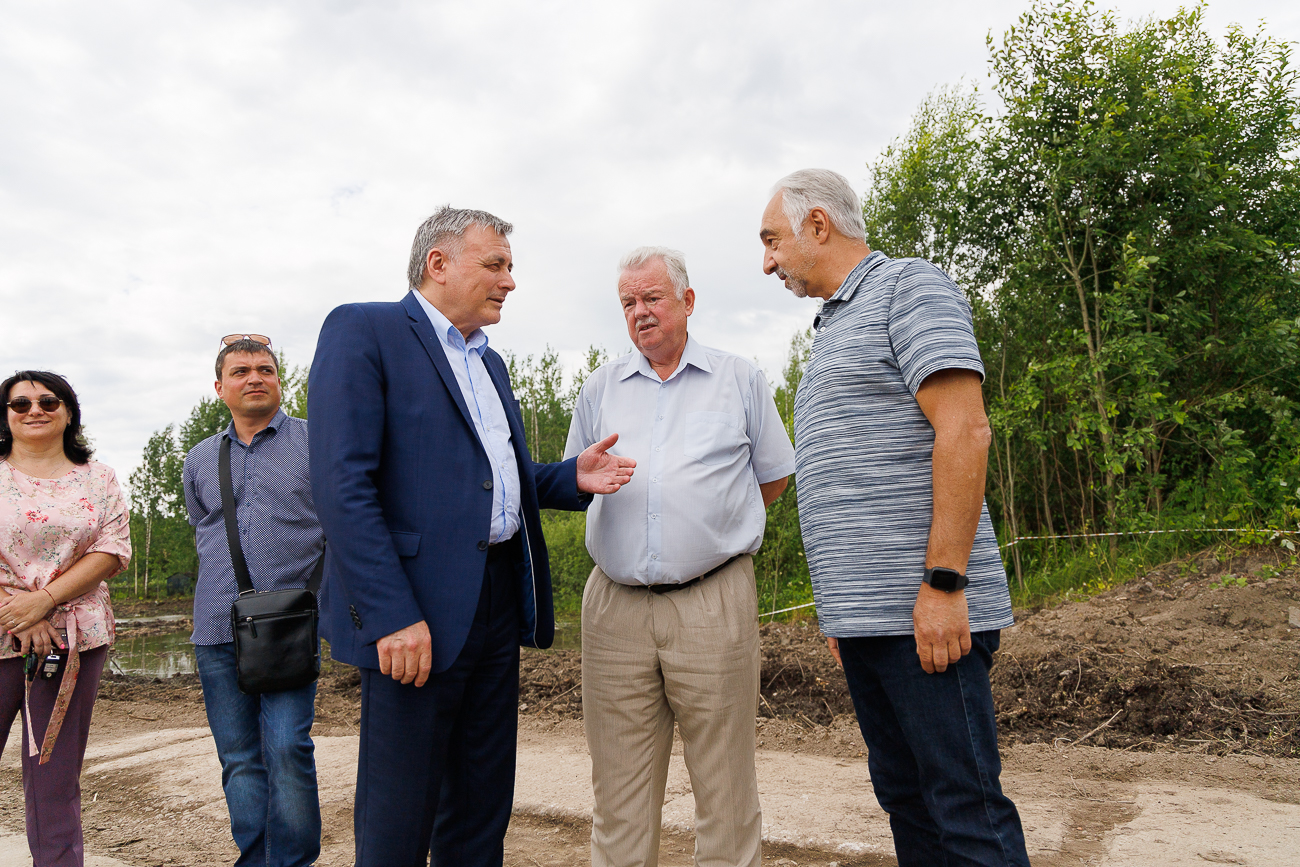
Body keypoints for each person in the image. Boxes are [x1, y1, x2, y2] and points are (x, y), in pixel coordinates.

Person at [308, 205, 636, 867]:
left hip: (496, 604)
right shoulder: (365, 330)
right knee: (399, 818)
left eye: (509, 267)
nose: (510, 281)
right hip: (415, 611)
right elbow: (342, 486)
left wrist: (568, 476)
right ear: (439, 263)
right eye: (496, 264)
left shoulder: (491, 364)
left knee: (481, 809)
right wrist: (391, 614)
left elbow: (491, 480)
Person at [758, 169, 1031, 867]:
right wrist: (841, 614)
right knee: (908, 803)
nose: (767, 261)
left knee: (965, 810)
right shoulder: (832, 326)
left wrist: (944, 583)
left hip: (925, 615)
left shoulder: (908, 287)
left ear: (818, 224)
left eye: (772, 240)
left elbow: (965, 430)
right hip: (867, 623)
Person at [565, 247, 795, 867]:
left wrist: (710, 528)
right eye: (628, 303)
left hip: (712, 601)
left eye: (652, 298)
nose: (640, 312)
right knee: (618, 794)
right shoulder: (599, 388)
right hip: (615, 610)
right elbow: (576, 478)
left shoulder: (739, 379)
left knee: (725, 789)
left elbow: (773, 476)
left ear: (688, 301)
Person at [181, 335, 324, 867]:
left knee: (287, 747)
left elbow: (341, 522)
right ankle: (258, 859)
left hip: (289, 625)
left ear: (280, 381)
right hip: (216, 626)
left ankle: (291, 861)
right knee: (238, 757)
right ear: (220, 388)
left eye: (265, 369)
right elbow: (202, 525)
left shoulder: (316, 441)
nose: (255, 378)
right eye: (240, 372)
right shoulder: (200, 457)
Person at [0, 370, 131, 867]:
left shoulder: (99, 478)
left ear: (69, 412)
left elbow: (113, 550)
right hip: (3, 625)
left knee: (53, 775)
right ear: (5, 416)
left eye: (48, 402)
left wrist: (45, 600)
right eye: (20, 404)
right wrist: (20, 610)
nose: (35, 410)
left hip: (73, 639)